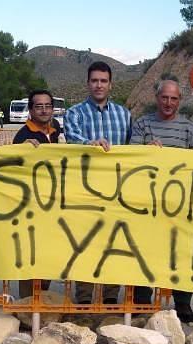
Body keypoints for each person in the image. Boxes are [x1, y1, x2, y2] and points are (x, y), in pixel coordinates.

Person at [130, 79, 193, 322]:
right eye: (164, 98)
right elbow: (131, 156)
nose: (168, 103)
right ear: (157, 98)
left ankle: (183, 303)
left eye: (174, 99)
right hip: (147, 205)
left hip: (179, 206)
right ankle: (142, 299)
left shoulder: (189, 129)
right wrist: (147, 150)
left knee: (181, 253)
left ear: (179, 101)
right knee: (145, 251)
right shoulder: (142, 124)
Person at [64, 61, 131, 304]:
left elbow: (132, 150)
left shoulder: (124, 115)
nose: (99, 85)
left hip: (117, 192)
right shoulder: (74, 113)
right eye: (94, 80)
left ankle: (111, 299)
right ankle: (83, 300)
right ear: (88, 83)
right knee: (86, 244)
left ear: (110, 84)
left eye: (103, 81)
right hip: (85, 192)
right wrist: (89, 145)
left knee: (115, 242)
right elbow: (73, 140)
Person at [12, 89, 60, 297]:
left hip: (54, 205)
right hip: (31, 208)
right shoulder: (23, 135)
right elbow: (12, 166)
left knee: (48, 256)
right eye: (38, 106)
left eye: (47, 106)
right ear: (31, 110)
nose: (44, 110)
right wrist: (19, 150)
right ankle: (26, 305)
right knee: (30, 257)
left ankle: (42, 302)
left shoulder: (57, 130)